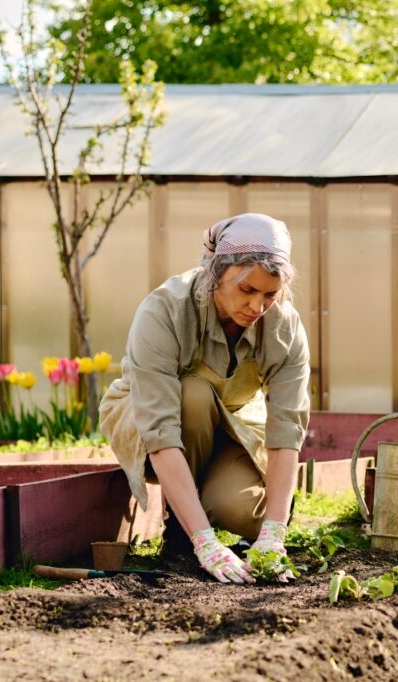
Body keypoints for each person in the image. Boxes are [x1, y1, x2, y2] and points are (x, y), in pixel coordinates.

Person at [99, 213, 310, 584]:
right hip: (154, 420)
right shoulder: (165, 310)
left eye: (270, 295)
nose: (257, 307)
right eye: (247, 290)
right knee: (193, 394)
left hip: (233, 425)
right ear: (217, 272)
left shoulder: (283, 326)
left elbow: (286, 427)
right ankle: (180, 535)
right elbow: (161, 432)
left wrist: (274, 532)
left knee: (242, 511)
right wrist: (203, 541)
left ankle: (220, 507)